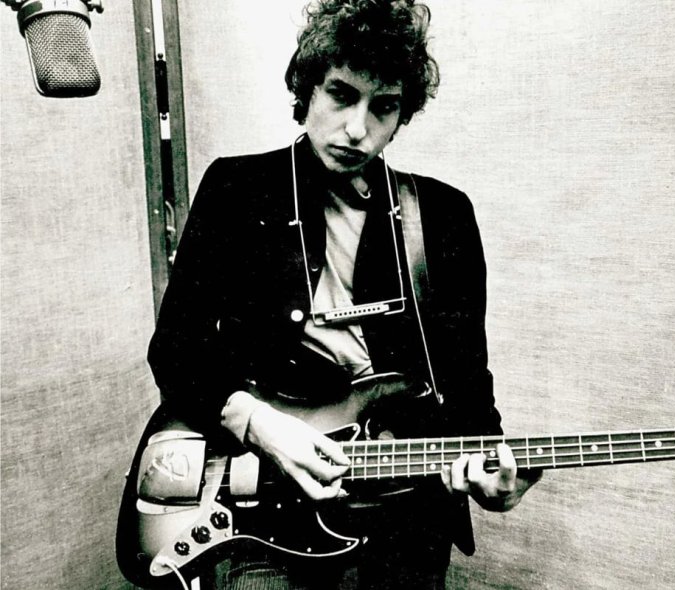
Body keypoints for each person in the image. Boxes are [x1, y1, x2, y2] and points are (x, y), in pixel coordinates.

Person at [147, 0, 539, 587]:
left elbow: (464, 379)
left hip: (408, 514)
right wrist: (259, 425)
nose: (358, 129)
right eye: (341, 94)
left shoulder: (443, 215)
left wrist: (495, 475)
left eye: (383, 106)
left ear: (401, 115)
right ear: (307, 91)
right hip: (267, 506)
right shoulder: (238, 190)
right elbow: (176, 349)